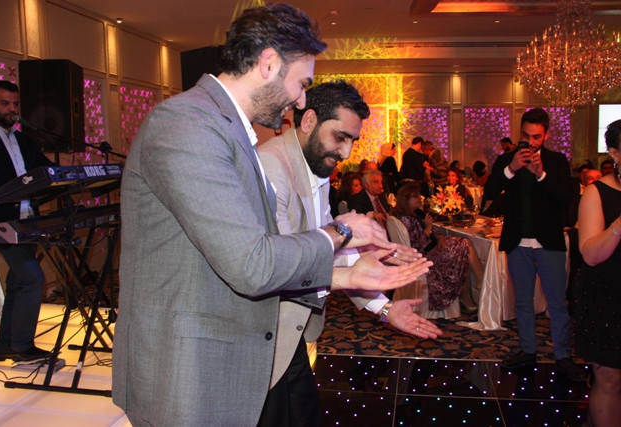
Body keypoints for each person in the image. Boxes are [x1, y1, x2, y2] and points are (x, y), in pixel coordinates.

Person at [112, 5, 431, 426]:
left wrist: (354, 277)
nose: (300, 100)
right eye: (301, 84)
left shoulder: (225, 128)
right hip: (187, 367)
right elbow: (254, 263)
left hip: (227, 350)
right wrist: (340, 231)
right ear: (268, 63)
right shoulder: (187, 124)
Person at [258, 81, 440, 421]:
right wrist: (348, 266)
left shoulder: (314, 165)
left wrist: (384, 308)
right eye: (340, 137)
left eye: (352, 141)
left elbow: (331, 250)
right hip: (261, 335)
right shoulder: (271, 167)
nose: (346, 152)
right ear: (309, 121)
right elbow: (279, 265)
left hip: (289, 333)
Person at [484, 108, 586, 382]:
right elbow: (489, 192)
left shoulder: (556, 160)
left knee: (557, 302)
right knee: (523, 301)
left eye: (536, 137)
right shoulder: (507, 159)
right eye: (525, 135)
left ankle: (563, 356)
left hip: (549, 241)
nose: (530, 142)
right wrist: (511, 169)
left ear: (546, 135)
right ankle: (527, 350)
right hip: (517, 242)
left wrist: (541, 175)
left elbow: (566, 197)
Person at [0, 80, 56, 363]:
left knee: (18, 282)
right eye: (4, 103)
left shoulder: (22, 139)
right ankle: (22, 347)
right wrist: (19, 188)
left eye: (15, 104)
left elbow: (46, 169)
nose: (11, 109)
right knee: (31, 278)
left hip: (25, 219)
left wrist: (68, 176)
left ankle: (5, 345)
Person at [574, 119, 621, 426]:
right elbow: (590, 255)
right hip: (608, 295)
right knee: (611, 378)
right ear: (614, 153)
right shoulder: (597, 192)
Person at [391, 182, 484, 312]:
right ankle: (477, 284)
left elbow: (433, 227)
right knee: (465, 246)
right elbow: (416, 247)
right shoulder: (405, 219)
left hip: (433, 248)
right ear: (406, 200)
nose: (420, 198)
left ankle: (469, 293)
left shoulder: (416, 212)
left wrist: (440, 237)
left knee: (464, 250)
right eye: (416, 196)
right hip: (424, 256)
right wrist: (428, 229)